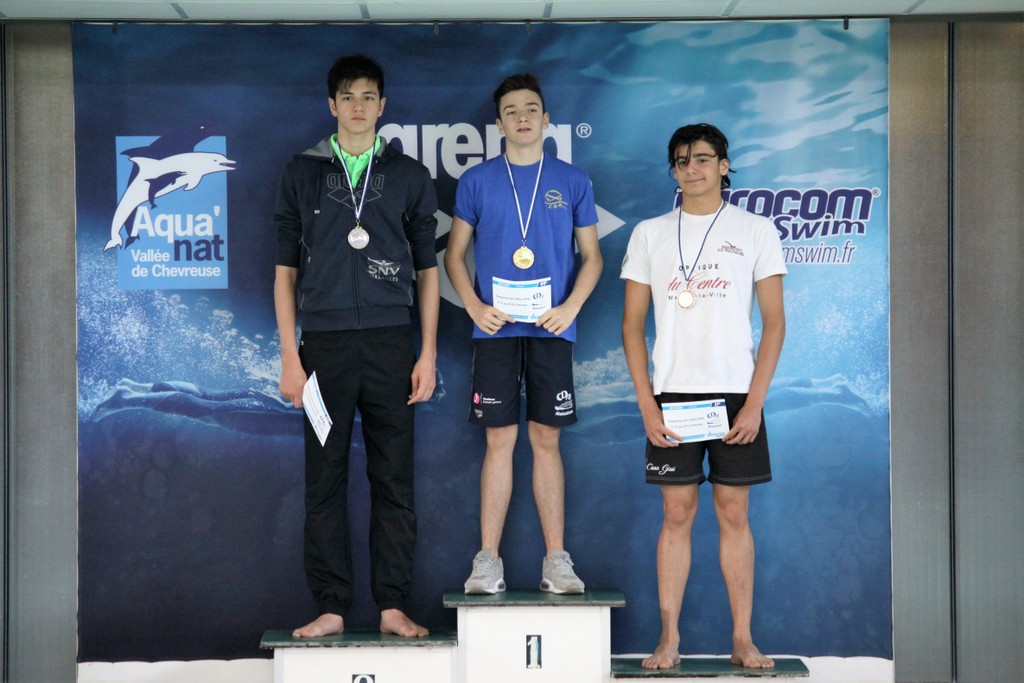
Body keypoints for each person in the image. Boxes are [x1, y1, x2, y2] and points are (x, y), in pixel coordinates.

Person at [274, 54, 438, 639]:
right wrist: (290, 357)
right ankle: (331, 606)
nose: (359, 106)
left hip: (392, 345)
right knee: (324, 481)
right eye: (348, 96)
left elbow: (428, 271)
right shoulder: (302, 173)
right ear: (332, 105)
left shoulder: (410, 175)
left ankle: (392, 605)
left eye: (368, 96)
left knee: (394, 481)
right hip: (323, 348)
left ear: (383, 105)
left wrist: (427, 353)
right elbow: (285, 273)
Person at [620, 123, 786, 669]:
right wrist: (647, 404)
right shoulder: (650, 233)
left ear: (723, 165)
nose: (691, 169)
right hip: (674, 395)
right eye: (681, 160)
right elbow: (631, 325)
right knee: (677, 514)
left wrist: (755, 403)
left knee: (734, 514)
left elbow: (775, 322)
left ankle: (742, 639)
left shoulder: (756, 229)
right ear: (673, 170)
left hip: (736, 394)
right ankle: (668, 639)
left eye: (702, 159)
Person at [444, 73, 603, 596]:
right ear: (499, 123)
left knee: (546, 439)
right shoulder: (477, 181)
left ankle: (556, 561)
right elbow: (454, 255)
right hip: (495, 329)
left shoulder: (572, 180)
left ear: (546, 119)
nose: (522, 117)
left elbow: (593, 258)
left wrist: (570, 308)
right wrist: (474, 307)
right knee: (499, 440)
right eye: (511, 110)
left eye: (531, 108)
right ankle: (487, 561)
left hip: (551, 326)